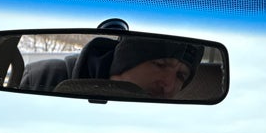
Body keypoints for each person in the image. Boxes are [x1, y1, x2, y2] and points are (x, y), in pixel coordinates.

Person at [20, 35, 204, 99]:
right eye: (160, 64)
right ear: (124, 62)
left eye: (180, 75)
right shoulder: (45, 76)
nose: (169, 85)